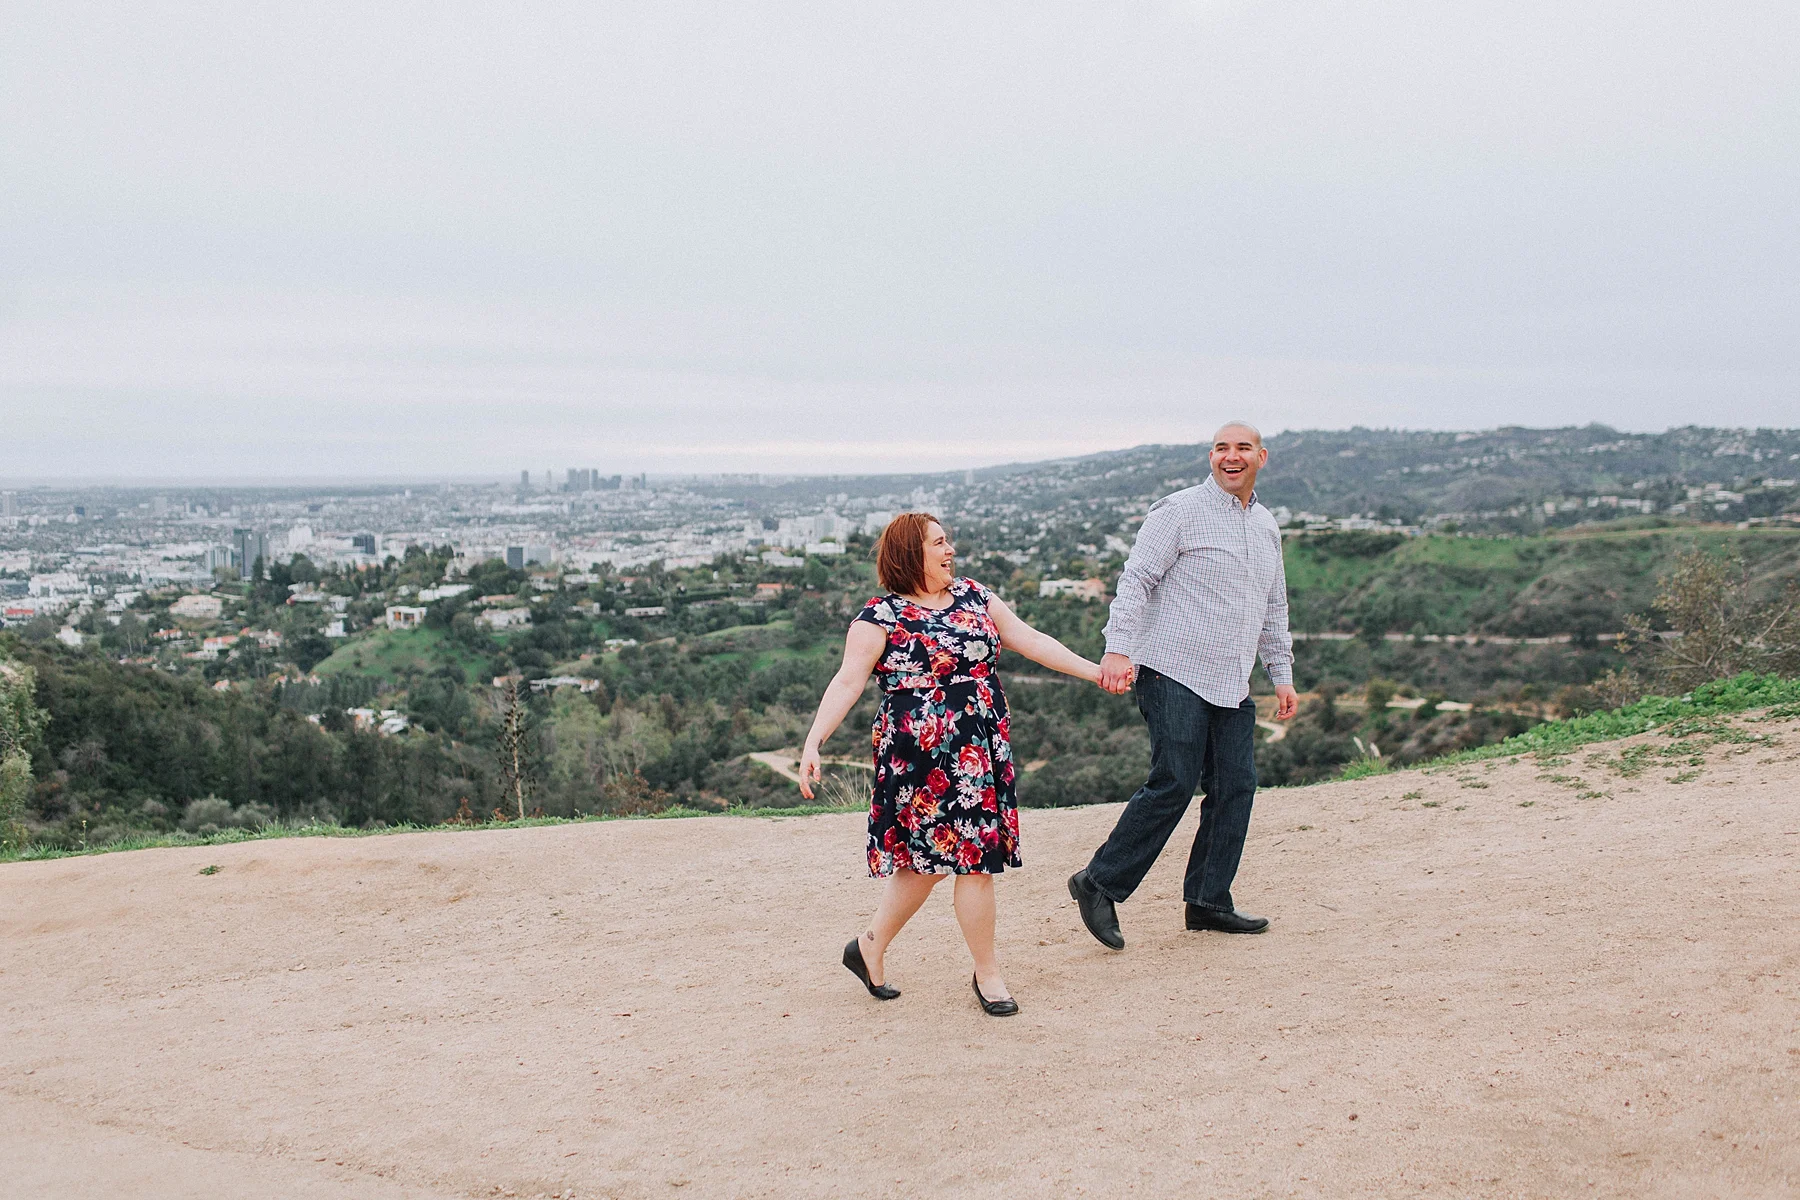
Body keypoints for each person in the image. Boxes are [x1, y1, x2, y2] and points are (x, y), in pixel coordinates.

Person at [799, 511, 1106, 1016]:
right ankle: (974, 971)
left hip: (978, 749)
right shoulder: (878, 617)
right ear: (911, 554)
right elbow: (847, 681)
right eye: (939, 543)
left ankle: (882, 949)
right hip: (918, 759)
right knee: (934, 864)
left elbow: (1031, 640)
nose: (950, 551)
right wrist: (814, 741)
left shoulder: (975, 596)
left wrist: (1094, 672)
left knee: (962, 861)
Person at [1068, 422, 1299, 950]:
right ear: (1211, 457)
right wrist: (1118, 648)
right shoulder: (1179, 510)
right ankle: (1098, 882)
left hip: (1231, 678)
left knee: (1235, 785)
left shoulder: (1267, 526)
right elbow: (1137, 579)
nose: (1231, 456)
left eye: (1242, 448)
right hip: (1172, 668)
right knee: (1175, 779)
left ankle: (1209, 901)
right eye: (1221, 448)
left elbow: (1273, 605)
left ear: (1261, 457)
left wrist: (1281, 673)